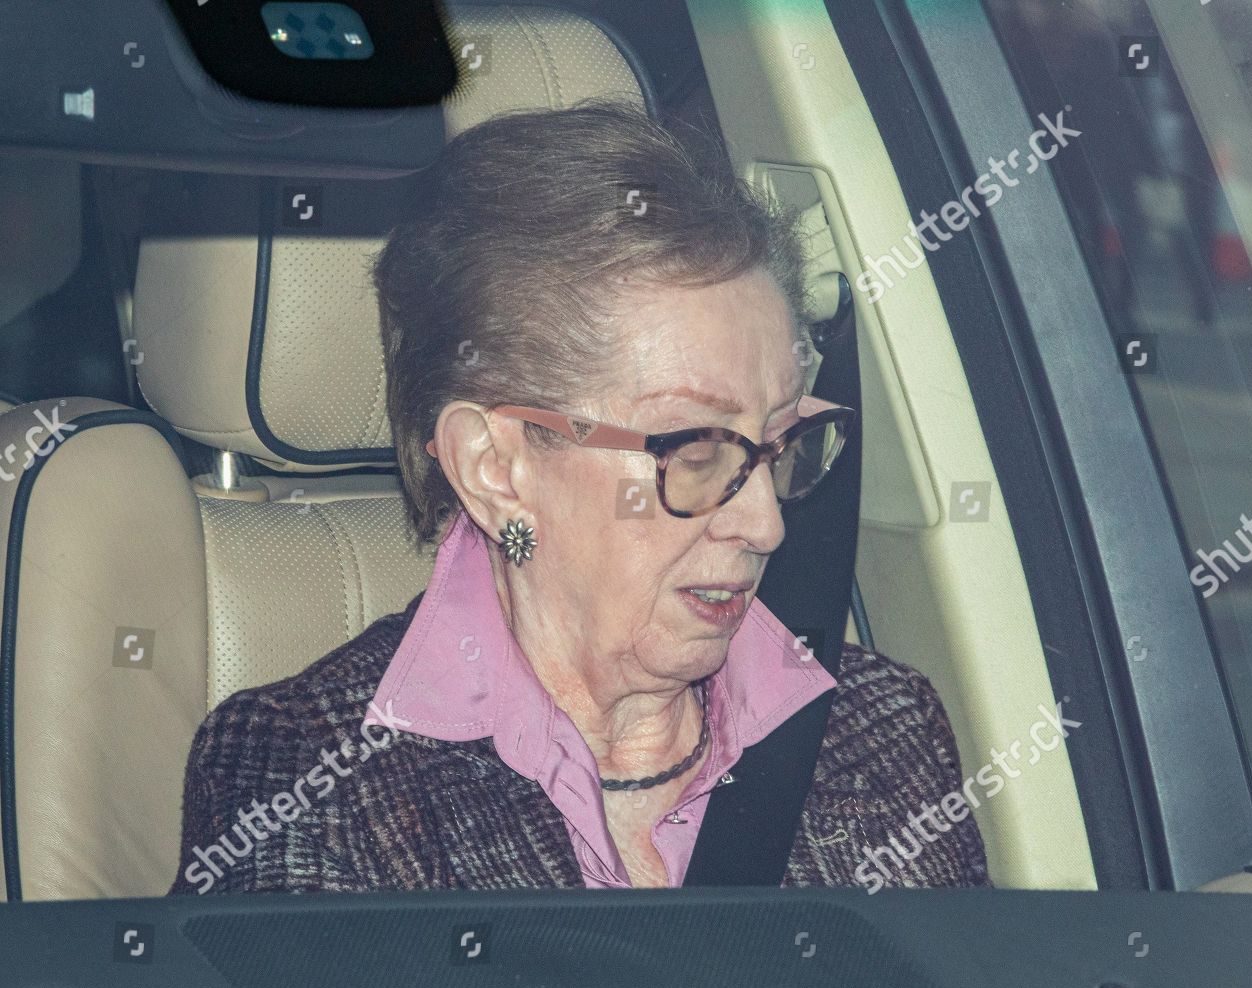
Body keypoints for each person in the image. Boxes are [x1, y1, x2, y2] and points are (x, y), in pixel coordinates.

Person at [171, 100, 989, 893]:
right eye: (694, 449)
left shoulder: (884, 731)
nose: (765, 521)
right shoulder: (309, 785)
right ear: (497, 466)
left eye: (779, 444)